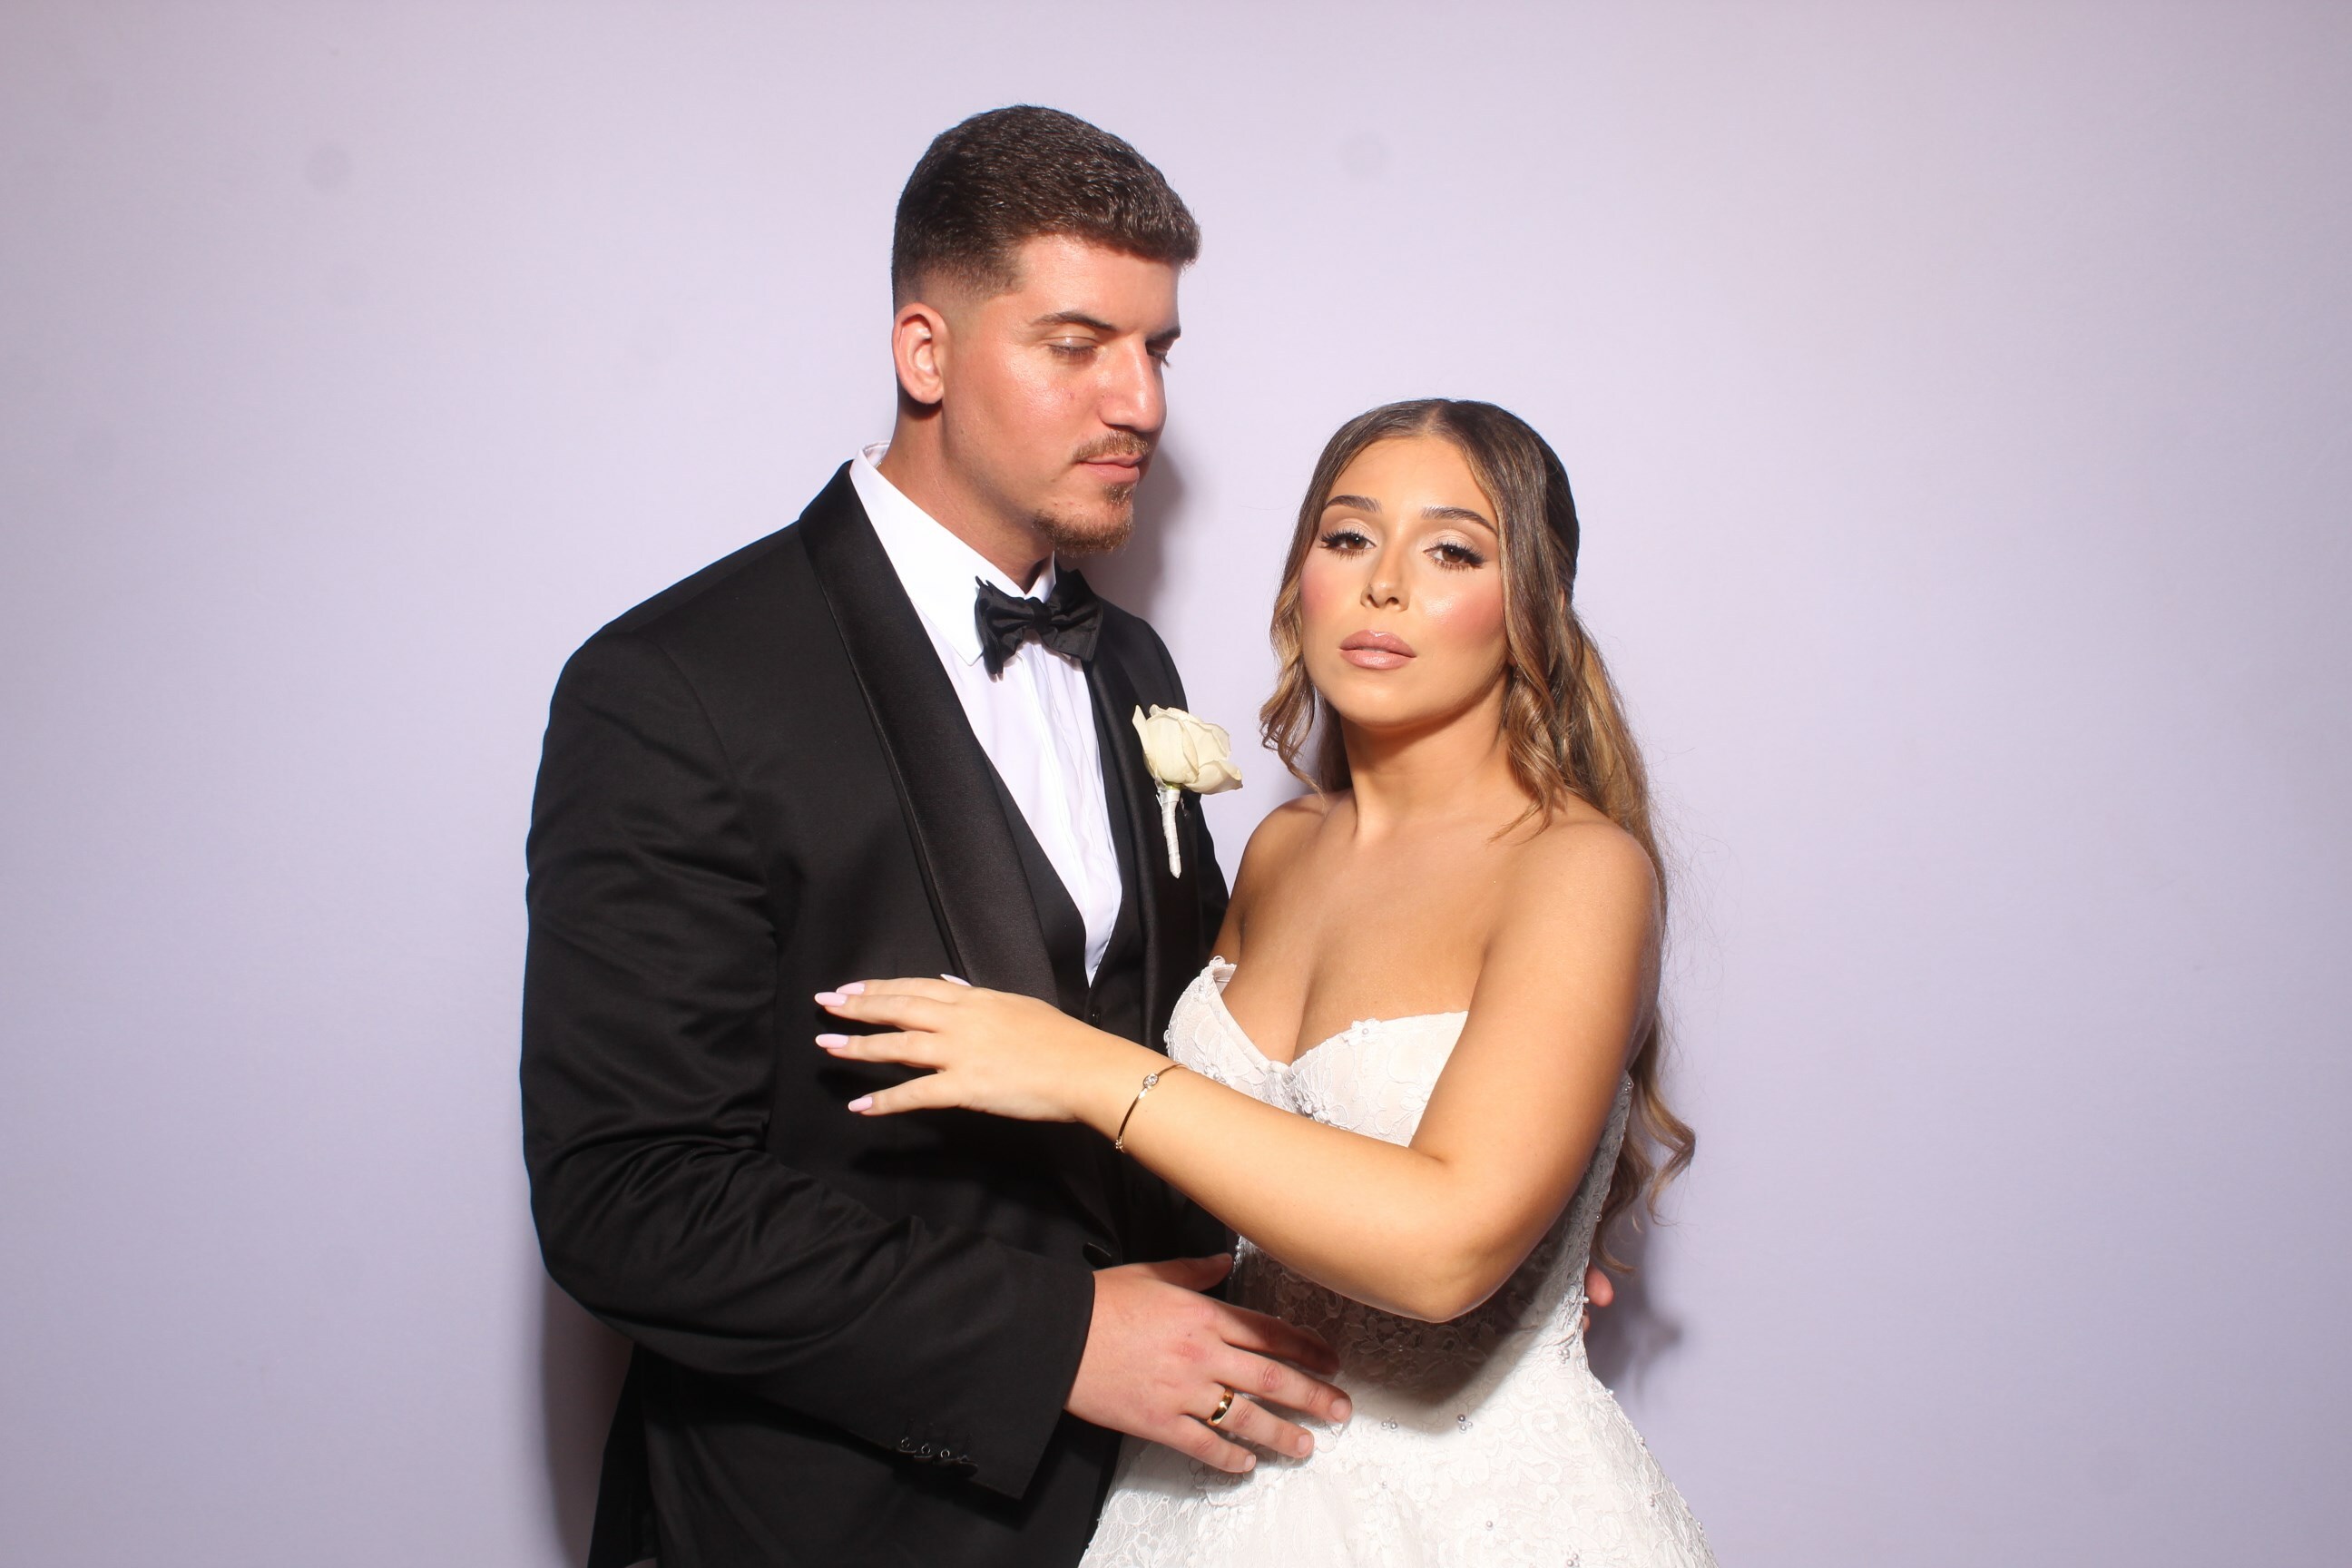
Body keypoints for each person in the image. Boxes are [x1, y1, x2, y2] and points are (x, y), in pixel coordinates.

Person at [520, 107, 1355, 1568]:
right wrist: (1059, 1337)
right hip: (819, 1520)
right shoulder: (674, 686)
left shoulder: (1133, 665)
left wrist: (1457, 1227)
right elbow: (630, 1199)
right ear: (925, 353)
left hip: (1153, 1509)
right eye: (1078, 345)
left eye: (1157, 350)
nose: (1141, 403)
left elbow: (1187, 1054)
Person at [814, 398, 1718, 1564]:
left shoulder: (1577, 869)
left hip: (1468, 1514)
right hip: (1209, 1475)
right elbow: (1232, 1168)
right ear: (1302, 583)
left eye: (1452, 551)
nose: (1384, 585)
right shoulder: (1283, 849)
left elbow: (1444, 1249)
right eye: (1349, 537)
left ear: (1532, 607)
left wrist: (1082, 1068)